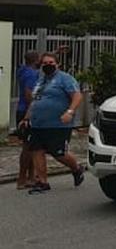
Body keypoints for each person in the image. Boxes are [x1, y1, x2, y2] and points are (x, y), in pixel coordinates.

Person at [19, 52, 85, 194]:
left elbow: (77, 96)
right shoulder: (40, 81)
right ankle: (42, 182)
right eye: (45, 64)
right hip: (38, 124)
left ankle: (76, 168)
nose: (48, 66)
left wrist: (70, 112)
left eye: (51, 63)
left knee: (58, 153)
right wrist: (26, 118)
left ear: (57, 64)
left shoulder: (65, 79)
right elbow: (34, 101)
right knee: (37, 151)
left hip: (58, 124)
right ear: (40, 66)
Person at [15, 51, 40, 189]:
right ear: (36, 61)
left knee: (31, 145)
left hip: (21, 109)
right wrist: (32, 111)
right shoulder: (31, 74)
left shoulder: (22, 70)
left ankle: (31, 177)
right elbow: (28, 94)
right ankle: (22, 178)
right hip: (27, 111)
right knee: (27, 146)